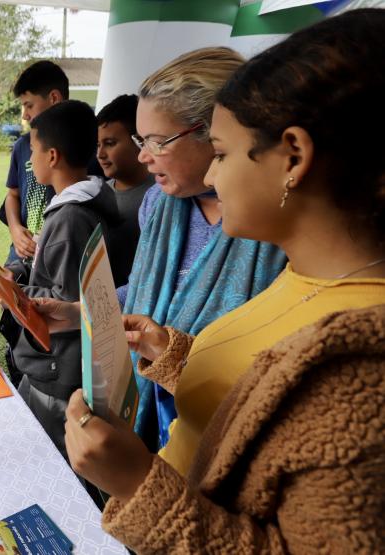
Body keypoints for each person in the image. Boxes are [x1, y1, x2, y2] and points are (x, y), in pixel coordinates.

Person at [45, 10, 385, 551]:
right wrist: (175, 354)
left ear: (293, 156)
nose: (209, 176)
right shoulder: (309, 276)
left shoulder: (354, 360)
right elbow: (254, 400)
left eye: (222, 154)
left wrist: (138, 486)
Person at [119, 47, 287, 451]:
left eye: (158, 142)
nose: (143, 157)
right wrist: (78, 311)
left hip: (223, 440)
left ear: (216, 132)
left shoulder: (277, 228)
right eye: (140, 139)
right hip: (142, 416)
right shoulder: (158, 205)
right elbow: (144, 291)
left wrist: (172, 355)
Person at [7, 100, 120, 459]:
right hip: (52, 369)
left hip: (57, 371)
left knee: (48, 458)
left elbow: (63, 304)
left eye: (34, 152)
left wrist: (14, 291)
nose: (30, 161)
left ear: (52, 156)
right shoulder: (83, 202)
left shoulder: (70, 219)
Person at [0, 60, 67, 265]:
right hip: (22, 255)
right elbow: (12, 195)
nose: (25, 115)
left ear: (54, 98)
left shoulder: (84, 146)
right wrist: (15, 229)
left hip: (57, 258)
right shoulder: (22, 145)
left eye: (29, 105)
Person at [95, 94, 154, 287]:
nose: (100, 154)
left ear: (139, 141)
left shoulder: (159, 196)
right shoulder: (97, 195)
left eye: (110, 143)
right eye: (98, 145)